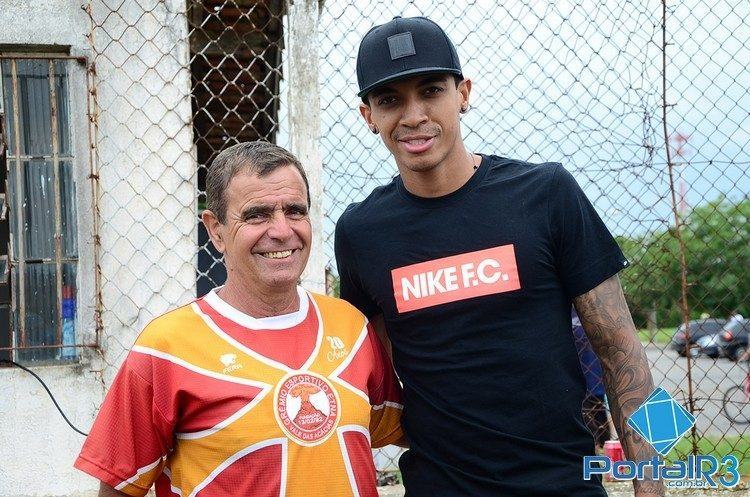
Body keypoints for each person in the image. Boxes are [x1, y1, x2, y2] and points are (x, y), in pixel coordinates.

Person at [334, 16, 663, 497]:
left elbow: (624, 355)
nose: (413, 115)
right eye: (390, 100)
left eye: (430, 90)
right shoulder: (361, 232)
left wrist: (653, 488)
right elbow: (373, 377)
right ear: (368, 116)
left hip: (564, 485)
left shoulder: (547, 194)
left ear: (463, 93)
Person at [75, 141, 404, 497]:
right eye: (256, 215)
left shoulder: (351, 328)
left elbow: (404, 431)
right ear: (215, 230)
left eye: (295, 211)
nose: (281, 230)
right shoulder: (166, 349)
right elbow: (119, 488)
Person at [572, 308, 611, 451]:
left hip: (597, 382)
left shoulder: (592, 308)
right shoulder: (560, 310)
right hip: (578, 385)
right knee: (590, 434)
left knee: (604, 436)